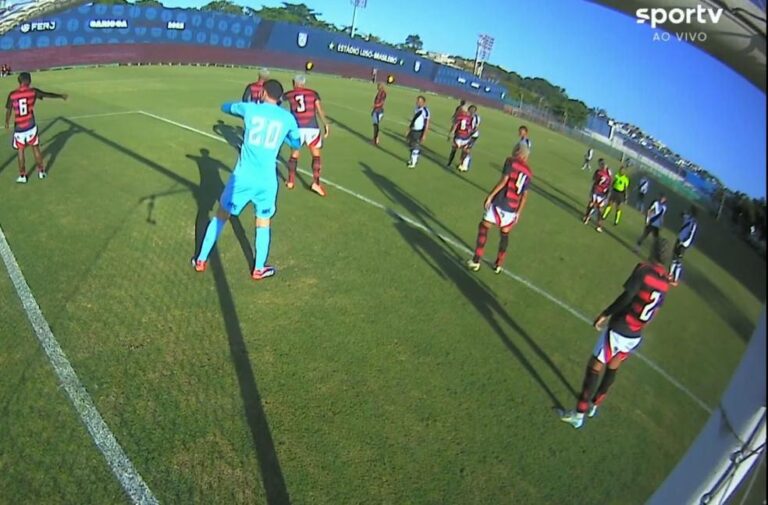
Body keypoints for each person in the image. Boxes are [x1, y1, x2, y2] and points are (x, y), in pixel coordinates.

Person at [192, 79, 301, 280]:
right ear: (279, 98)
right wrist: (284, 137)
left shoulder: (250, 109)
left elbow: (226, 107)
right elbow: (297, 141)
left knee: (221, 216)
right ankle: (259, 268)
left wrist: (238, 109)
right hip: (267, 181)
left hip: (242, 178)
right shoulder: (287, 118)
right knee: (263, 221)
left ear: (263, 93)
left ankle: (201, 259)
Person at [560, 238, 670, 429]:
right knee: (613, 366)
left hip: (620, 326)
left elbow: (627, 296)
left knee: (594, 367)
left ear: (653, 250)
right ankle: (595, 404)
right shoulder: (665, 282)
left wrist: (605, 314)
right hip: (636, 333)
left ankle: (579, 414)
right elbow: (655, 311)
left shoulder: (644, 270)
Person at [466, 143, 532, 274]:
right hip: (512, 208)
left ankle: (476, 260)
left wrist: (490, 196)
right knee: (504, 234)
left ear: (518, 151)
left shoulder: (510, 161)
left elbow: (504, 181)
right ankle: (499, 264)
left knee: (484, 227)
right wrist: (518, 213)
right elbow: (524, 196)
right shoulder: (529, 172)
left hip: (501, 202)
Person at [4, 72, 68, 184]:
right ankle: (41, 172)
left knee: (20, 151)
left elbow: (9, 110)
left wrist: (6, 123)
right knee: (35, 148)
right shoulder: (33, 92)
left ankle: (23, 176)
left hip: (19, 127)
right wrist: (60, 96)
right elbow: (47, 94)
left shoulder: (12, 94)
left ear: (19, 81)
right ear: (28, 81)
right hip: (30, 125)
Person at [282, 74, 330, 196]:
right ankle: (316, 183)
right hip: (312, 127)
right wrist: (326, 124)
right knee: (316, 155)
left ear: (294, 82)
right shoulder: (313, 93)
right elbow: (319, 110)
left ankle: (291, 181)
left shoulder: (289, 94)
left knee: (294, 154)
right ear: (304, 83)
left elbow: (278, 102)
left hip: (297, 128)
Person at [669, 206, 698, 286]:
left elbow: (691, 234)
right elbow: (681, 214)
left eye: (691, 210)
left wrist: (685, 242)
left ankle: (675, 280)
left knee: (678, 260)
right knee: (674, 257)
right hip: (679, 239)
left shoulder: (693, 223)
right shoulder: (687, 217)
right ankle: (670, 274)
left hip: (684, 243)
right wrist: (683, 212)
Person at [582, 159, 612, 232]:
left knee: (598, 209)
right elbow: (596, 180)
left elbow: (609, 183)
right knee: (592, 205)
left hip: (602, 193)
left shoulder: (607, 172)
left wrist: (607, 191)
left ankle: (596, 223)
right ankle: (587, 218)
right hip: (597, 191)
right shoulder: (599, 172)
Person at [405, 95, 430, 168]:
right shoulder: (416, 109)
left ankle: (413, 162)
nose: (418, 103)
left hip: (419, 131)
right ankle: (413, 159)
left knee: (415, 146)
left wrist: (424, 134)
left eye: (420, 101)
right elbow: (413, 120)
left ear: (423, 102)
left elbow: (426, 123)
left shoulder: (425, 111)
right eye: (417, 101)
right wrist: (409, 129)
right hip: (413, 130)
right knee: (410, 145)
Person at [446, 104, 473, 171]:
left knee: (454, 150)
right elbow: (470, 128)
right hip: (466, 137)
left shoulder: (459, 117)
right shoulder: (469, 118)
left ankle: (450, 163)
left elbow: (455, 126)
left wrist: (451, 134)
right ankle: (463, 165)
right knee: (464, 151)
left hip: (459, 136)